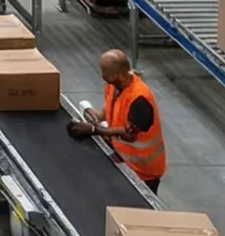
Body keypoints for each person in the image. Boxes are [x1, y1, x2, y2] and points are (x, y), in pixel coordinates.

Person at [68, 50, 166, 192]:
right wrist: (97, 117)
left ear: (119, 75)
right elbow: (110, 106)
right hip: (124, 160)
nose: (102, 75)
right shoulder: (113, 85)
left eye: (105, 72)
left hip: (143, 170)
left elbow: (129, 134)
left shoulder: (140, 98)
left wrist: (94, 130)